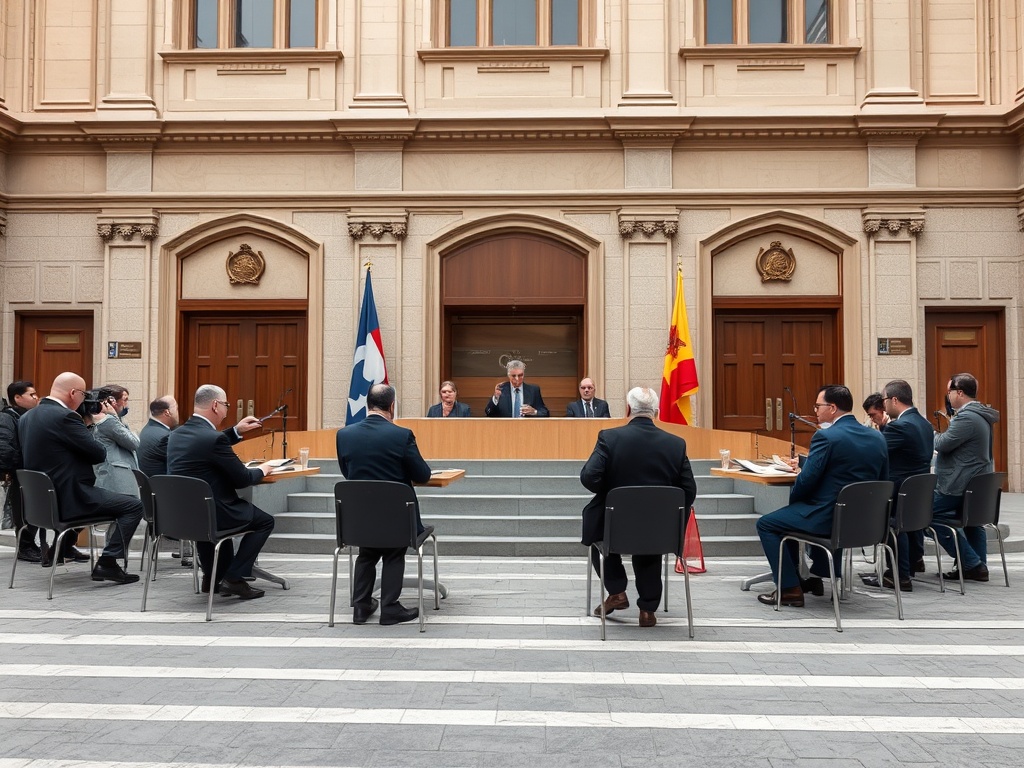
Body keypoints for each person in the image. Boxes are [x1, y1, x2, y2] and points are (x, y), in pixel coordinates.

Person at [755, 385, 889, 607]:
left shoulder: (826, 437)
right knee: (787, 519)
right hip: (865, 522)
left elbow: (806, 481)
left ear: (833, 408)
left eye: (818, 406)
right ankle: (814, 578)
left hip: (828, 518)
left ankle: (789, 589)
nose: (816, 411)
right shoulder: (877, 438)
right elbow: (883, 480)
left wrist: (795, 500)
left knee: (768, 524)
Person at [580, 386, 697, 628]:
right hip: (660, 529)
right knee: (649, 545)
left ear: (629, 409)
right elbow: (689, 491)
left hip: (615, 524)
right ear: (656, 411)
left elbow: (589, 478)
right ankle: (648, 609)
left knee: (597, 538)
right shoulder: (676, 444)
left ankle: (617, 592)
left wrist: (610, 490)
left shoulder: (609, 438)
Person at [17, 372, 144, 583]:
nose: (85, 400)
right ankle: (108, 563)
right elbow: (98, 453)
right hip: (71, 499)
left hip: (40, 505)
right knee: (133, 506)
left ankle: (81, 553)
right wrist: (93, 424)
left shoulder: (27, 417)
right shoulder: (66, 417)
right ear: (73, 393)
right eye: (84, 394)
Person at [166, 385, 277, 599]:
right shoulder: (213, 439)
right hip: (216, 512)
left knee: (210, 523)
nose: (227, 410)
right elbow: (243, 478)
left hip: (185, 515)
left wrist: (236, 431)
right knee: (264, 521)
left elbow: (205, 442)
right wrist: (262, 470)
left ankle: (212, 577)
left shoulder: (176, 435)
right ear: (216, 406)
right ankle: (234, 578)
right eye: (226, 405)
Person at [336, 383, 433, 626]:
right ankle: (390, 608)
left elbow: (348, 474)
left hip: (358, 521)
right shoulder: (402, 435)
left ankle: (361, 607)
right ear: (392, 406)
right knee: (393, 549)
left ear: (367, 404)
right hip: (396, 521)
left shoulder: (344, 435)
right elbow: (422, 475)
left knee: (367, 552)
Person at [864, 380, 935, 591]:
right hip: (916, 492)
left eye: (885, 400)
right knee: (905, 525)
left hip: (898, 491)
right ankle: (909, 566)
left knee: (889, 523)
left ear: (894, 399)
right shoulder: (924, 423)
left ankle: (897, 575)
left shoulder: (900, 426)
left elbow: (876, 453)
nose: (883, 406)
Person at [930, 373, 999, 582]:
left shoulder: (967, 417)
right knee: (972, 523)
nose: (948, 396)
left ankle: (972, 563)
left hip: (958, 485)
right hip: (974, 486)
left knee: (924, 514)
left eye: (949, 391)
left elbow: (942, 444)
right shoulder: (979, 414)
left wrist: (930, 433)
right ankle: (978, 568)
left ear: (959, 392)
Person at [0, 380, 46, 562]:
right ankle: (25, 547)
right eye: (32, 395)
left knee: (34, 508)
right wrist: (18, 466)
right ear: (17, 398)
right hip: (21, 472)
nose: (37, 398)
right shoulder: (7, 417)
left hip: (31, 470)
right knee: (23, 510)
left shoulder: (29, 416)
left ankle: (30, 544)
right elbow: (4, 447)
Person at [89, 385, 141, 500]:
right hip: (116, 481)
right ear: (111, 402)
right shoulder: (109, 421)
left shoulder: (97, 419)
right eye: (125, 400)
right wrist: (114, 416)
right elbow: (134, 443)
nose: (126, 405)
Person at [484, 360, 549, 418]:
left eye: (520, 375)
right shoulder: (501, 390)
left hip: (527, 428)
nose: (517, 379)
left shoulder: (533, 390)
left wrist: (534, 412)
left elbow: (545, 413)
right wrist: (496, 397)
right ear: (508, 375)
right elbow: (489, 413)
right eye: (514, 376)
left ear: (524, 374)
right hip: (505, 429)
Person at [138, 396, 180, 477]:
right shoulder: (164, 437)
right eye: (176, 409)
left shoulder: (147, 429)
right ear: (167, 412)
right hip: (163, 486)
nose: (178, 412)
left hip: (149, 485)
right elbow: (182, 461)